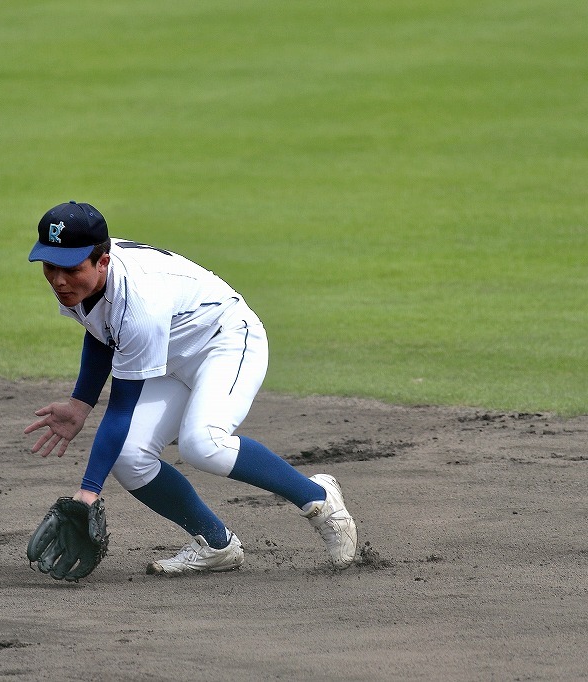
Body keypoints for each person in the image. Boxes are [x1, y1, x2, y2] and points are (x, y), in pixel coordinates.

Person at [24, 200, 358, 575]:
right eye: (49, 267)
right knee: (129, 457)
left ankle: (318, 499)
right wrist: (80, 404)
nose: (58, 280)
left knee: (204, 443)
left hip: (225, 342)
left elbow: (121, 408)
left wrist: (87, 493)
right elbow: (102, 330)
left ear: (102, 261)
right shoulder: (85, 274)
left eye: (69, 269)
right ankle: (216, 544)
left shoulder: (139, 304)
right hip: (169, 356)